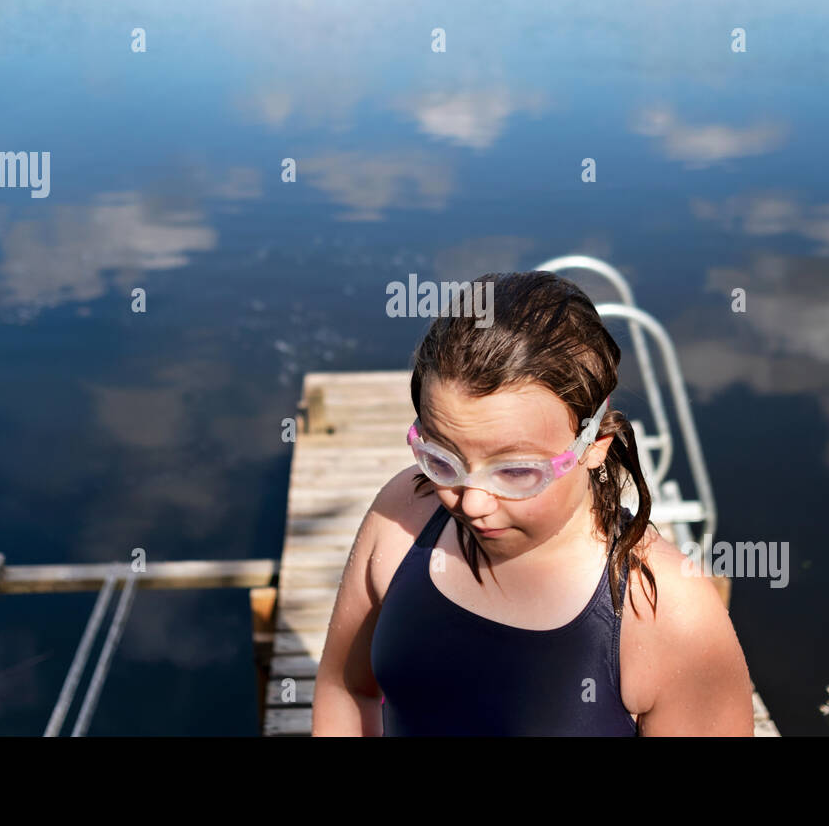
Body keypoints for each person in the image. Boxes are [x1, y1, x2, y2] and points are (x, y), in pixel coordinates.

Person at [311, 271, 755, 735]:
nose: (473, 503)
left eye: (516, 471)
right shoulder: (406, 511)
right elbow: (347, 689)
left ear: (595, 444)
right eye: (442, 460)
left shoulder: (667, 613)